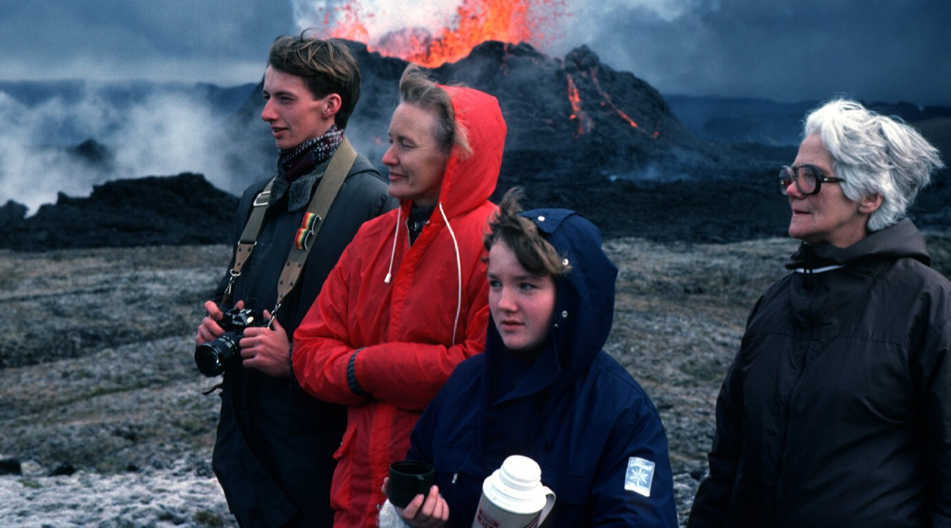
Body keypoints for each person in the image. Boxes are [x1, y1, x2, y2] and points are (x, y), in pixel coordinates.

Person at [689, 99, 951, 527]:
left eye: (811, 177)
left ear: (870, 197)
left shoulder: (928, 306)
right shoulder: (775, 304)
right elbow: (728, 459)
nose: (791, 188)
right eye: (790, 174)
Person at [383, 189, 679, 527]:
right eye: (496, 283)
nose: (504, 303)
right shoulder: (465, 385)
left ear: (570, 296)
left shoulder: (622, 413)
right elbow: (418, 481)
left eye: (526, 286)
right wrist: (415, 519)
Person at [292, 65, 507, 528]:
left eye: (406, 145)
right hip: (356, 497)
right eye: (389, 140)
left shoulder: (498, 247)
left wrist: (366, 365)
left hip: (444, 501)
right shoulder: (373, 238)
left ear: (456, 155)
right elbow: (308, 352)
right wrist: (360, 368)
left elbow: (482, 370)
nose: (386, 157)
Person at [195, 34, 395, 527]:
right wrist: (218, 327)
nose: (266, 113)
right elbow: (241, 297)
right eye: (266, 96)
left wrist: (297, 363)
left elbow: (382, 350)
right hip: (248, 453)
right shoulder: (258, 199)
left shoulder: (373, 205)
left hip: (316, 462)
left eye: (284, 99)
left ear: (331, 106)